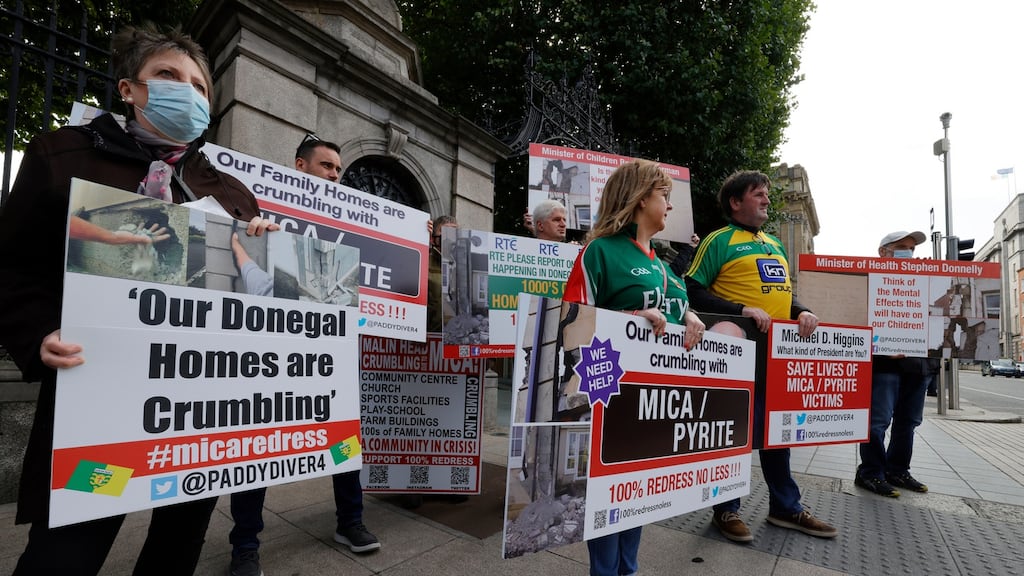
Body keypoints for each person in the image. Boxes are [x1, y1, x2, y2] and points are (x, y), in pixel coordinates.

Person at [0, 24, 274, 576]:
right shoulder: (63, 152)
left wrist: (266, 249)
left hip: (201, 404)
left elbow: (261, 294)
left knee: (179, 544)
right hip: (98, 403)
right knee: (65, 554)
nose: (189, 92)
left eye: (200, 86)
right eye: (169, 77)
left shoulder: (226, 189)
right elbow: (12, 264)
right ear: (130, 88)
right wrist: (37, 335)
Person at [226, 136, 379, 576]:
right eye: (327, 166)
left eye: (338, 169)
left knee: (343, 438)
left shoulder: (351, 217)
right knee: (257, 447)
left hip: (329, 350)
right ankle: (245, 543)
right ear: (300, 166)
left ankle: (350, 522)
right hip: (270, 354)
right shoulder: (262, 208)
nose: (334, 174)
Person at [563, 159, 705, 576]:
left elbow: (672, 316)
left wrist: (691, 314)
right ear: (642, 198)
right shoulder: (600, 252)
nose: (670, 206)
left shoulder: (665, 267)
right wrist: (627, 318)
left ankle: (629, 570)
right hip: (612, 399)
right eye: (665, 196)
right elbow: (570, 323)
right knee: (610, 498)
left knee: (637, 496)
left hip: (659, 402)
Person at [685, 170, 837, 543]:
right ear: (736, 202)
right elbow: (691, 288)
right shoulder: (719, 240)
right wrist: (741, 308)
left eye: (767, 193)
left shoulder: (774, 244)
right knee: (733, 431)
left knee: (777, 433)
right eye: (758, 194)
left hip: (778, 358)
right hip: (736, 356)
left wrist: (801, 309)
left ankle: (786, 507)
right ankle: (726, 509)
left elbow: (782, 293)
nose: (767, 199)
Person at [854, 231, 932, 498]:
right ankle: (871, 473)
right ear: (883, 252)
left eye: (911, 248)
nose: (908, 253)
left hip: (918, 364)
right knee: (877, 422)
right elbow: (853, 320)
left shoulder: (924, 278)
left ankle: (897, 470)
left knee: (908, 422)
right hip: (883, 365)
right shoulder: (868, 280)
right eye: (901, 248)